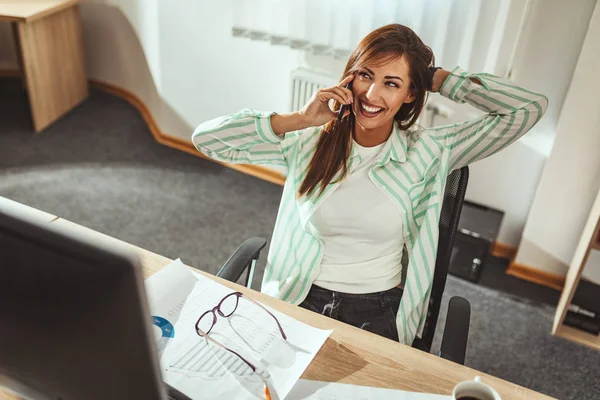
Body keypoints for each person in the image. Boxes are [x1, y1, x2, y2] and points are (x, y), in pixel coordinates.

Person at [191, 24, 548, 345]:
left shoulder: (430, 150)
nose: (371, 94)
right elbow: (207, 140)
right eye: (365, 75)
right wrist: (297, 119)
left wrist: (436, 78)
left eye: (392, 83)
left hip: (375, 311)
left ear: (410, 94)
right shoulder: (310, 142)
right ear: (349, 77)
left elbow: (527, 109)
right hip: (297, 297)